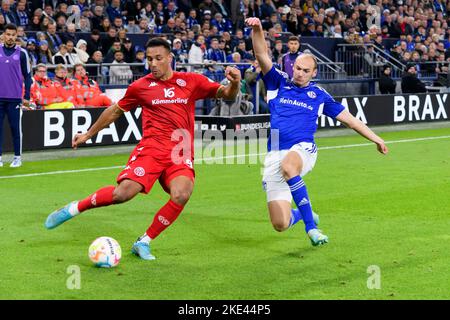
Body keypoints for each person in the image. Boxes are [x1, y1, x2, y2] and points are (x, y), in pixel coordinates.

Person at [44, 38, 241, 260]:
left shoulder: (191, 81)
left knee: (182, 194)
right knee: (123, 194)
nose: (153, 64)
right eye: (149, 59)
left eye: (158, 58)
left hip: (180, 153)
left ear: (170, 58)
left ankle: (143, 241)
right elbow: (114, 111)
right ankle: (74, 208)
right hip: (151, 150)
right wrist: (88, 134)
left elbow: (227, 94)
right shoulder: (141, 87)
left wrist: (234, 83)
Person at [245, 17, 389, 246]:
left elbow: (350, 120)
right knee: (280, 223)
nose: (299, 73)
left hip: (302, 149)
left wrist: (376, 138)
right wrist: (258, 29)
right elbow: (262, 54)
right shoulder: (278, 82)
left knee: (289, 167)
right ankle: (303, 214)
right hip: (274, 155)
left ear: (313, 73)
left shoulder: (319, 95)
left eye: (305, 70)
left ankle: (311, 228)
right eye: (297, 68)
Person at [0, 23, 31, 168]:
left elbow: (28, 76)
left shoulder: (22, 53)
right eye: (8, 34)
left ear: (16, 36)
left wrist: (27, 97)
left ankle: (17, 157)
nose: (10, 37)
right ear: (4, 35)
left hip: (14, 99)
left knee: (15, 128)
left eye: (13, 35)